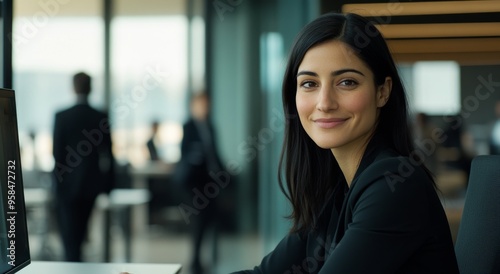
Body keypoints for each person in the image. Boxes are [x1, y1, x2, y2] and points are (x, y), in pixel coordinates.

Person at [232, 13, 458, 273]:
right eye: (309, 83)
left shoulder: (395, 185)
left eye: (346, 82)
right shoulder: (335, 190)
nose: (325, 102)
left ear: (382, 92)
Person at [52, 72, 115, 261]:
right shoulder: (100, 116)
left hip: (66, 185)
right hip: (91, 185)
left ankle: (73, 265)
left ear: (73, 88)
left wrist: (56, 183)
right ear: (91, 88)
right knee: (80, 235)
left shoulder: (62, 116)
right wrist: (108, 185)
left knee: (70, 239)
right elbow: (109, 154)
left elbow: (57, 154)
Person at [175, 92, 223, 274]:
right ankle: (195, 261)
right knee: (198, 220)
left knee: (209, 218)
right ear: (194, 105)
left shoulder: (210, 126)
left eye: (207, 104)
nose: (205, 108)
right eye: (201, 104)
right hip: (193, 182)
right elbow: (184, 153)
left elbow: (215, 153)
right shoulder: (189, 126)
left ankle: (201, 258)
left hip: (209, 180)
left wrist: (224, 171)